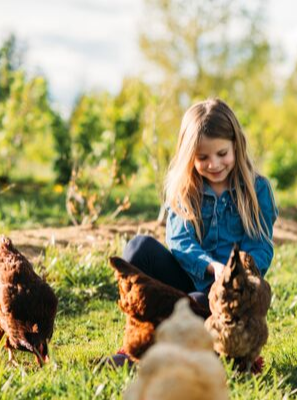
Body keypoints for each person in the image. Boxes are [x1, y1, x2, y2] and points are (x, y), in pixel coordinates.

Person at [109, 98, 278, 366]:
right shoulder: (185, 188)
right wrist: (211, 265)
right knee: (137, 249)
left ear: (236, 145)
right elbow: (179, 241)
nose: (214, 164)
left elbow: (260, 244)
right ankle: (135, 342)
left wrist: (236, 274)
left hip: (224, 295)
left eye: (222, 154)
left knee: (196, 302)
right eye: (203, 158)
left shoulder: (257, 190)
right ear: (190, 157)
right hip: (188, 276)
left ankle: (178, 351)